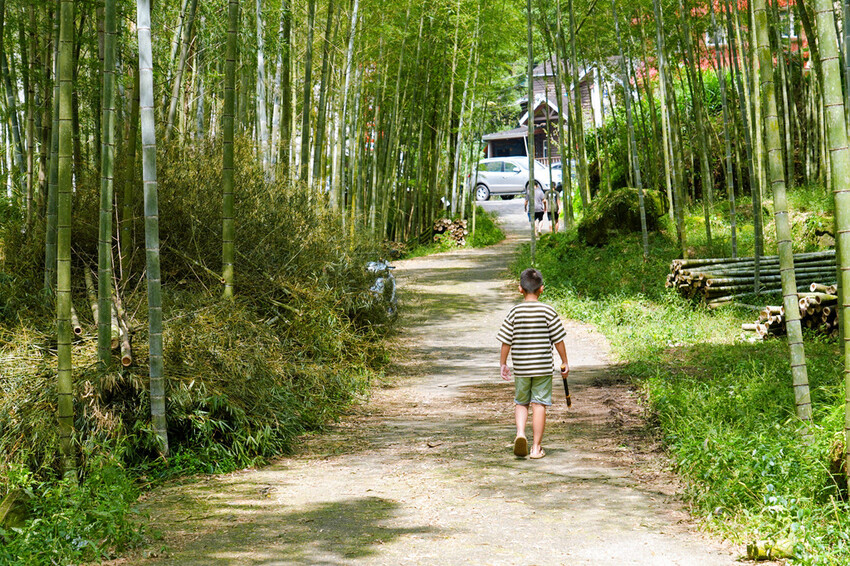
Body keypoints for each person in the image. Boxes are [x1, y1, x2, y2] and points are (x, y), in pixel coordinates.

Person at [497, 268, 570, 459]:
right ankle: (536, 448)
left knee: (521, 402)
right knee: (539, 404)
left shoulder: (515, 312)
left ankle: (521, 433)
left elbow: (506, 341)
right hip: (542, 368)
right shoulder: (548, 311)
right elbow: (558, 340)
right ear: (541, 289)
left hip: (522, 368)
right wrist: (564, 361)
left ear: (520, 289)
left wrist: (503, 363)